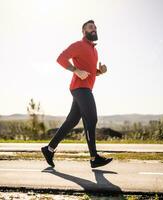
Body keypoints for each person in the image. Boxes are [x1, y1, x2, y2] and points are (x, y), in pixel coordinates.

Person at [41, 20, 113, 168]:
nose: (94, 29)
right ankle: (94, 158)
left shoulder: (94, 50)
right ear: (84, 31)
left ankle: (49, 149)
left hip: (84, 88)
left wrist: (100, 72)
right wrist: (75, 71)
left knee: (72, 121)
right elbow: (60, 59)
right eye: (90, 27)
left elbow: (90, 72)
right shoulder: (78, 45)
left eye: (95, 27)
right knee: (91, 119)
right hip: (80, 88)